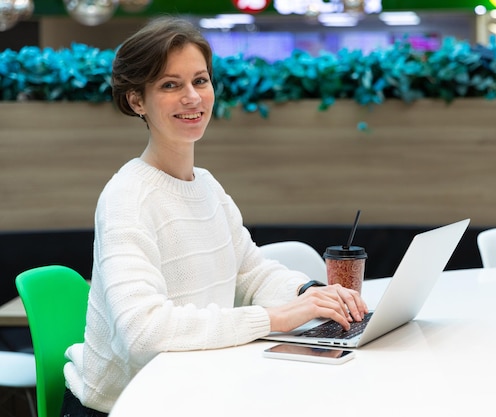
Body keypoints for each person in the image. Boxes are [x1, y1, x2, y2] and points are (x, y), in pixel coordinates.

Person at [61, 16, 368, 417]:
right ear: (137, 101)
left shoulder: (206, 186)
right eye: (171, 85)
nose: (192, 97)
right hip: (128, 405)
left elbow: (251, 274)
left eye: (200, 81)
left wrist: (309, 294)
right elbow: (143, 331)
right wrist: (274, 316)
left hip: (196, 388)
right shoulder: (128, 197)